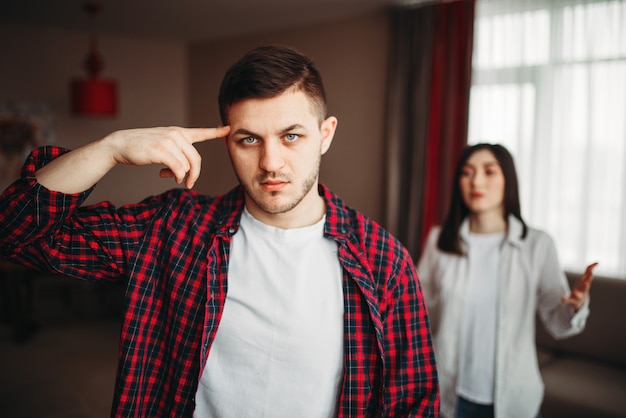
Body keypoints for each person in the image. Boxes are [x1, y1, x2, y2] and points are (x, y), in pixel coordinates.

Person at [0, 45, 439, 417]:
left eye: (291, 136)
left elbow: (415, 405)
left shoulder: (383, 260)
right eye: (249, 139)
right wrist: (110, 147)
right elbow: (15, 234)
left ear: (325, 135)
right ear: (226, 141)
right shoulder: (173, 229)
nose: (270, 162)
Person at [417, 143, 597, 418]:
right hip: (448, 394)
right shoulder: (439, 241)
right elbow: (417, 311)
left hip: (514, 399)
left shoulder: (537, 245)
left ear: (508, 181)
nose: (476, 181)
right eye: (467, 173)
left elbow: (558, 323)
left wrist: (574, 306)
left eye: (489, 172)